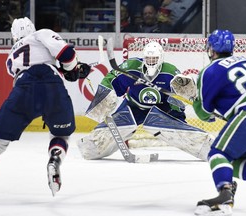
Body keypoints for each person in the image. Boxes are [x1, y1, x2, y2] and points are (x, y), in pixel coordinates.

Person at [0, 17, 91, 196]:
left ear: (14, 36)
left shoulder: (11, 56)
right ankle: (55, 159)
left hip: (22, 89)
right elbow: (66, 55)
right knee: (61, 134)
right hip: (51, 87)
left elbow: (34, 69)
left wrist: (68, 71)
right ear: (32, 28)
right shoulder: (41, 34)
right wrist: (73, 69)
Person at [78, 41, 213, 161]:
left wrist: (188, 93)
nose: (151, 61)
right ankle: (91, 147)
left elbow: (181, 93)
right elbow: (111, 79)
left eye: (154, 59)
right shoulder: (131, 67)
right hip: (133, 107)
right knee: (98, 140)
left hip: (161, 109)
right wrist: (105, 97)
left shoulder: (169, 71)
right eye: (148, 58)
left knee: (180, 130)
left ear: (160, 59)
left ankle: (207, 147)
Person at [171, 29, 246, 215]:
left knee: (218, 154)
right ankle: (226, 186)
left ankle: (225, 192)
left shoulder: (210, 71)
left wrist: (193, 98)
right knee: (235, 163)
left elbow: (204, 115)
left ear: (211, 49)